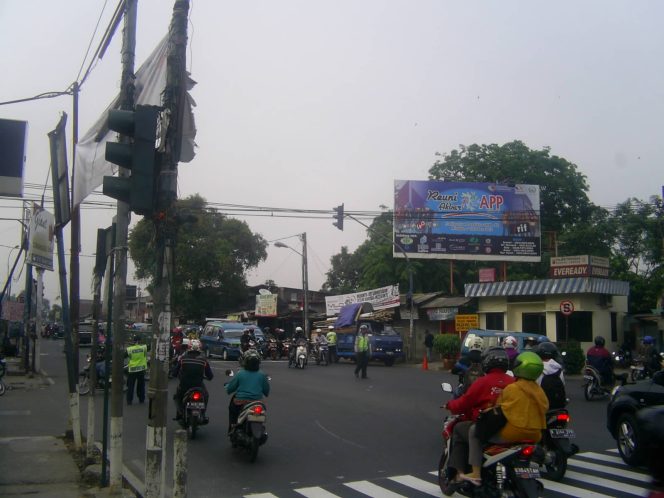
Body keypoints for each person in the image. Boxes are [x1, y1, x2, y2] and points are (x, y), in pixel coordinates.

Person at [462, 351, 549, 485]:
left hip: (512, 433)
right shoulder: (540, 391)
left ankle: (476, 472)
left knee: (474, 431)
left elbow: (500, 408)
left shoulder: (512, 388)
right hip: (535, 435)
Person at [442, 347, 514, 494]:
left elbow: (464, 402)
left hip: (486, 426)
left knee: (458, 430)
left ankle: (460, 473)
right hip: (510, 426)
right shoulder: (513, 381)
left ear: (487, 362)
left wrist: (449, 405)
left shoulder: (483, 382)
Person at [225, 349, 270, 434]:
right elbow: (266, 391)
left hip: (240, 402)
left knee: (232, 410)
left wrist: (227, 387)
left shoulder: (240, 374)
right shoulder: (262, 375)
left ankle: (233, 427)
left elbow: (230, 388)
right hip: (257, 402)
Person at [173, 339, 214, 420]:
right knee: (206, 396)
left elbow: (175, 372)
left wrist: (175, 374)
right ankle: (203, 413)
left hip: (184, 385)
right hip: (198, 385)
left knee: (177, 396)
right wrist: (207, 377)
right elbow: (210, 376)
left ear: (189, 347)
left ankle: (180, 413)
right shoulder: (203, 360)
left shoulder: (183, 359)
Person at [535, 341, 567, 409]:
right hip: (556, 404)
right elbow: (563, 385)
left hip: (540, 403)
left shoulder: (536, 368)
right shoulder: (558, 369)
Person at [125, 334, 148, 405]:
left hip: (132, 370)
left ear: (134, 341)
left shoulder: (129, 349)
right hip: (141, 370)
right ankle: (141, 399)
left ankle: (129, 401)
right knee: (141, 385)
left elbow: (123, 356)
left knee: (130, 386)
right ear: (140, 341)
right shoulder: (144, 348)